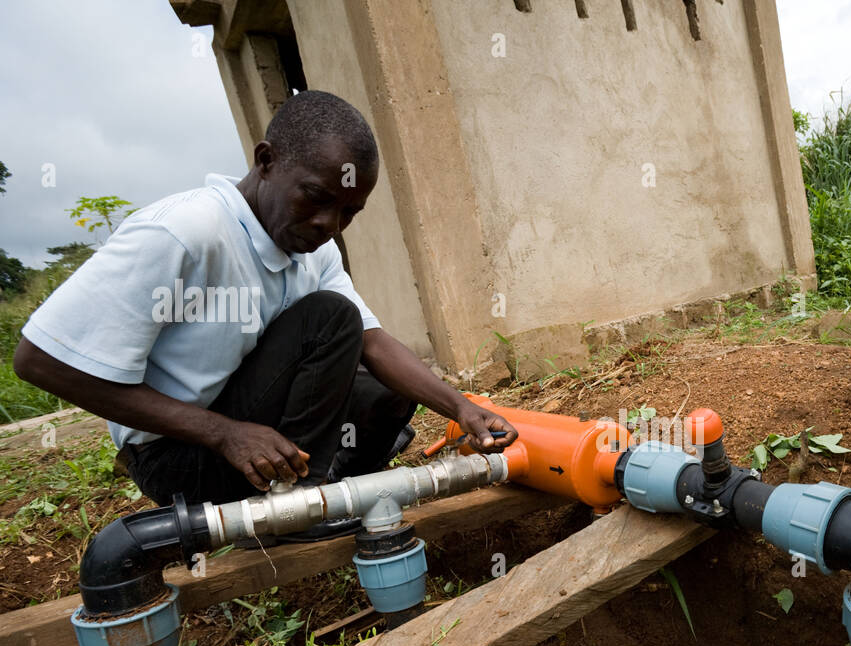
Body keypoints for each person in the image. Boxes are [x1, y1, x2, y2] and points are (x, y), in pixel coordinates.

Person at [13, 91, 516, 539]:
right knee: (328, 319)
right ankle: (294, 509)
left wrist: (461, 408)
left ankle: (330, 492)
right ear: (266, 161)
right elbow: (38, 359)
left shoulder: (311, 248)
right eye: (316, 199)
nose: (328, 225)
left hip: (240, 430)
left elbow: (373, 341)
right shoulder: (187, 232)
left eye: (348, 213)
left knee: (385, 386)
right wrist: (224, 433)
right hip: (178, 457)